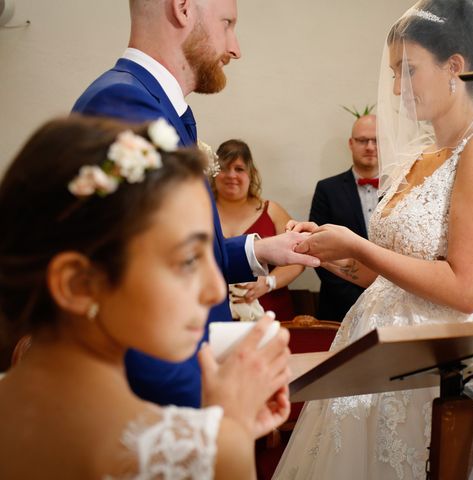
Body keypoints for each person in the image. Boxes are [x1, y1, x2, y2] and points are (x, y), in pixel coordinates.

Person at [274, 0, 473, 478]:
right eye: (393, 72)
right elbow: (378, 273)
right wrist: (322, 249)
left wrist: (357, 244)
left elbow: (466, 288)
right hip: (378, 357)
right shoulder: (416, 157)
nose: (395, 88)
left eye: (407, 71)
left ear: (455, 67)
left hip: (441, 365)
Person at [0, 116, 291, 478]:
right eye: (188, 260)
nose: (216, 289)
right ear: (78, 284)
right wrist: (227, 433)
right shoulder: (201, 454)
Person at [71, 0, 318, 408]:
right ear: (183, 8)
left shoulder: (151, 102)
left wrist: (258, 249)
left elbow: (167, 253)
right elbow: (136, 287)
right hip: (158, 396)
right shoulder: (124, 105)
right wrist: (198, 404)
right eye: (228, 24)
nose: (235, 47)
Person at [211, 139, 303, 321]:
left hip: (271, 313)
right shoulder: (201, 210)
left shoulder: (271, 211)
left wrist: (269, 282)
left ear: (251, 174)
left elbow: (298, 259)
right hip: (216, 314)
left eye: (239, 169)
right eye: (224, 168)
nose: (231, 175)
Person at [309, 114, 379, 321]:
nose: (369, 146)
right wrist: (359, 301)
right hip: (339, 309)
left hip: (393, 305)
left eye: (376, 140)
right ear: (351, 143)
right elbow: (318, 250)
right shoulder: (326, 189)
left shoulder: (401, 187)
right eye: (362, 140)